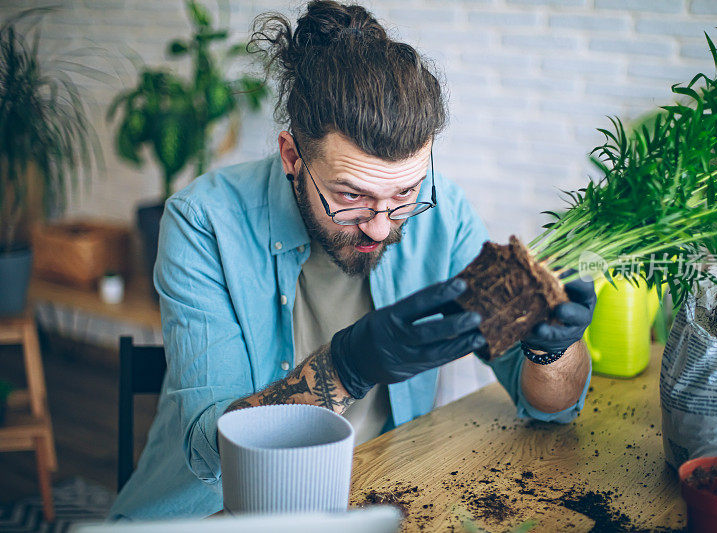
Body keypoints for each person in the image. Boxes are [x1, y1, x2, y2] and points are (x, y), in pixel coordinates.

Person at [108, 0, 595, 520]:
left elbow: (554, 408)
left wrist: (551, 351)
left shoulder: (444, 211)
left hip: (374, 499)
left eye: (406, 192)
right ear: (292, 156)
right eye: (351, 196)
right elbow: (212, 451)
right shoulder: (203, 220)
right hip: (215, 515)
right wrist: (346, 367)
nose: (382, 226)